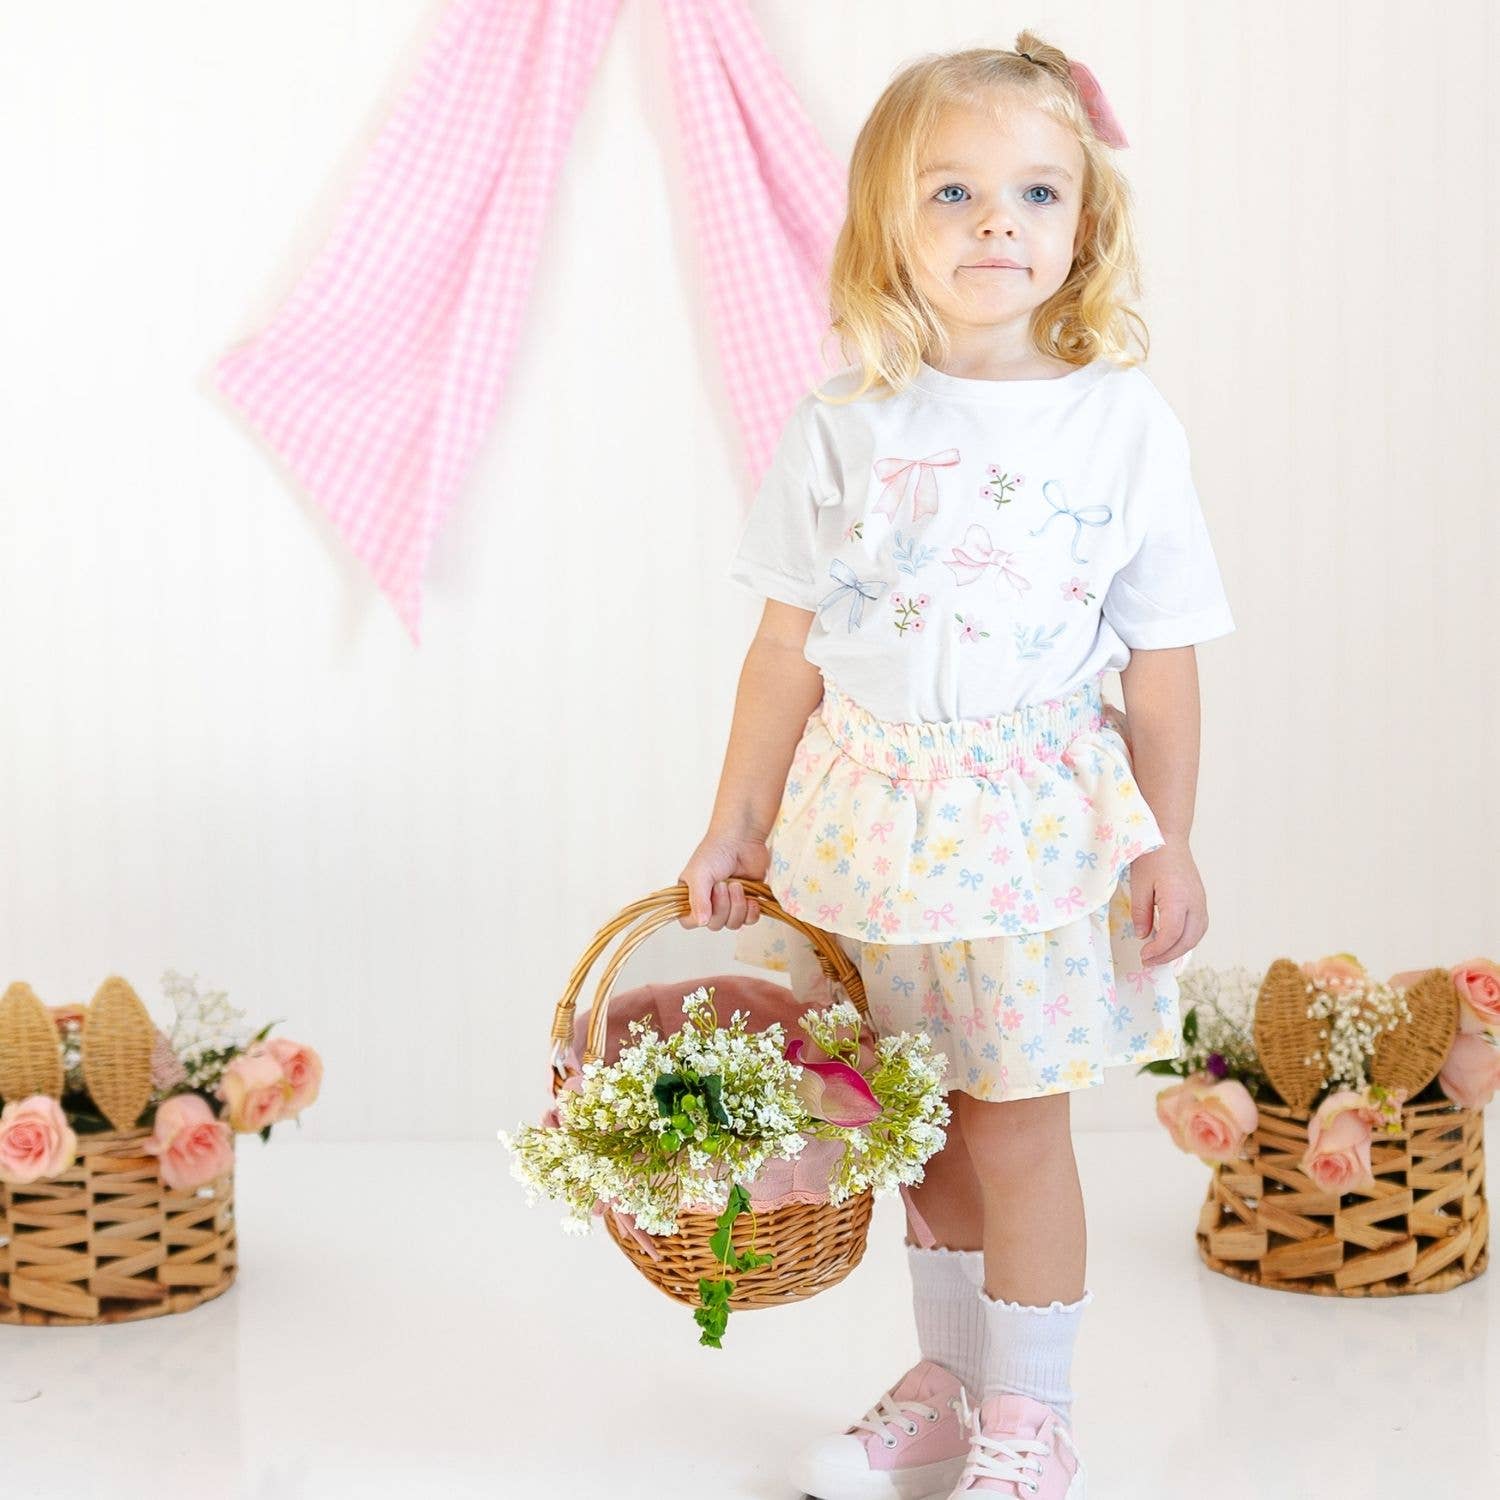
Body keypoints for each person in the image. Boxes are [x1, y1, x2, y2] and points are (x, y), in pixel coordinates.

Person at [677, 33, 1234, 1500]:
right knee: (915, 1125)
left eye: (1038, 192)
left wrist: (1168, 838)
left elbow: (1163, 655)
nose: (999, 223)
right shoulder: (842, 423)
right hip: (868, 820)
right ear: (887, 223)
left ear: (1083, 222)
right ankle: (953, 1381)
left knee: (1016, 1126)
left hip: (1033, 826)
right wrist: (735, 822)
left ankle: (1034, 1416)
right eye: (954, 192)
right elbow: (784, 651)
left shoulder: (1120, 421)